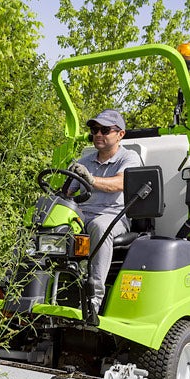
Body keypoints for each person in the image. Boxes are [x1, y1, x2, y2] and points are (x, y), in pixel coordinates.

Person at [67, 109, 142, 324]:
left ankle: (93, 299)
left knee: (99, 227)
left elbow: (119, 183)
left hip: (113, 216)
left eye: (105, 130)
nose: (98, 134)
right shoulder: (85, 160)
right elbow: (68, 192)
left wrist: (90, 179)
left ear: (120, 134)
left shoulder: (129, 158)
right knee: (53, 226)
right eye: (94, 130)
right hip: (82, 215)